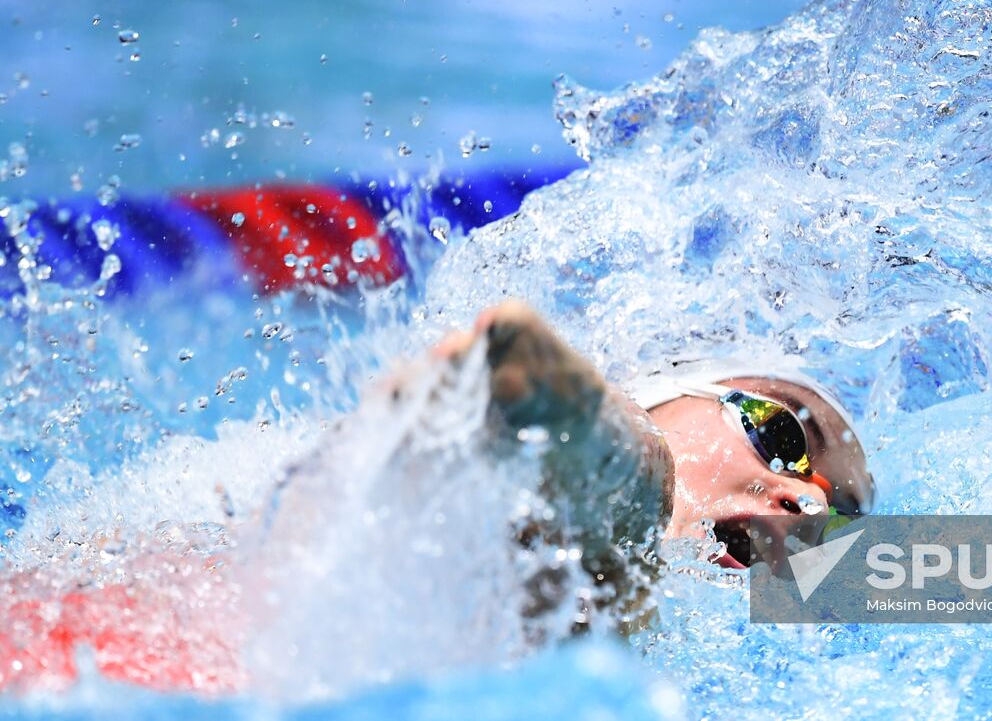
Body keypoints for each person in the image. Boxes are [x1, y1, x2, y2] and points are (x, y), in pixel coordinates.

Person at [0, 300, 874, 693]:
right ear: (661, 391)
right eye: (783, 431)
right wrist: (563, 409)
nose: (805, 502)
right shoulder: (612, 516)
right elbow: (528, 390)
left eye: (837, 522)